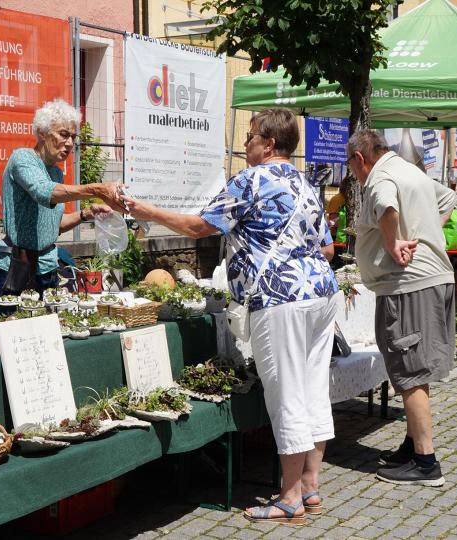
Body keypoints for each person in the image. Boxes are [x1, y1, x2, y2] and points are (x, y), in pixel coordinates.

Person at [121, 108, 338, 525]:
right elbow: (327, 248)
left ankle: (289, 497)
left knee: (286, 393)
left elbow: (199, 227)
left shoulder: (250, 180)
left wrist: (148, 212)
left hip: (280, 297)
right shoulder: (307, 185)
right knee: (313, 388)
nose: (245, 143)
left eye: (251, 136)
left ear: (269, 144)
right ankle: (310, 485)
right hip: (321, 294)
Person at [346, 129, 457, 486]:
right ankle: (412, 446)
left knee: (410, 371)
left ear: (360, 158)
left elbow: (387, 206)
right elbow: (449, 198)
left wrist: (394, 243)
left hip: (408, 285)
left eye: (351, 167)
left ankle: (425, 463)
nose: (354, 175)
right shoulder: (410, 171)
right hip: (432, 279)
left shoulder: (381, 177)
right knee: (415, 369)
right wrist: (426, 236)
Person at [0, 99, 123, 316]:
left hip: (47, 267)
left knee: (49, 327)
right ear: (42, 133)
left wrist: (86, 213)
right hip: (15, 267)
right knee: (11, 326)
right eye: (63, 134)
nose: (70, 143)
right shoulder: (23, 158)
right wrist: (97, 189)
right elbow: (43, 192)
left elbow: (53, 226)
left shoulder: (56, 173)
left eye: (73, 137)